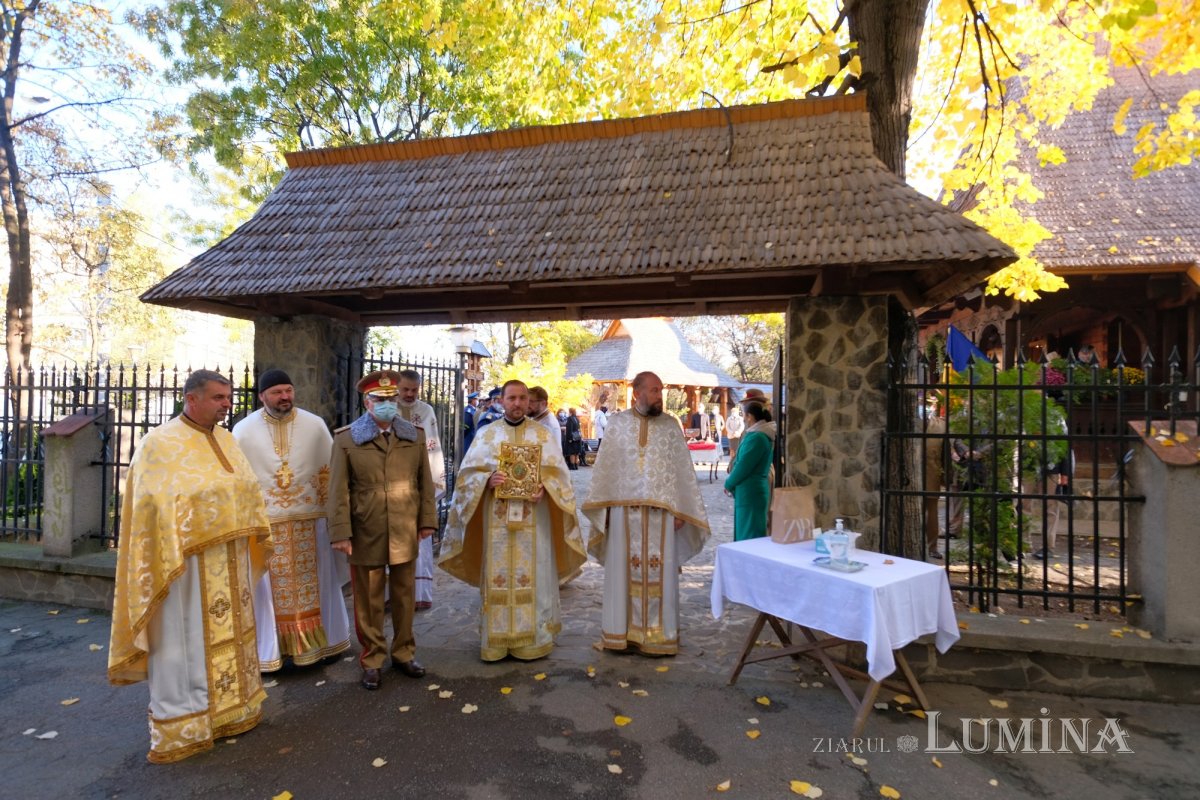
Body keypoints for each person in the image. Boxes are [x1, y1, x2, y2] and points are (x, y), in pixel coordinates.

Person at [108, 369, 271, 764]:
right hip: (184, 565)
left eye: (227, 397)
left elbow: (246, 489)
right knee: (186, 640)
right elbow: (149, 507)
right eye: (218, 398)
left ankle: (235, 709)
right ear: (191, 399)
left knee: (231, 634)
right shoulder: (159, 444)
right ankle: (186, 723)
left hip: (229, 559)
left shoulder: (228, 440)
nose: (226, 404)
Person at [439, 380, 587, 661]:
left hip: (536, 520)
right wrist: (486, 480)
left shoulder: (543, 435)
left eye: (522, 398)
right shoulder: (487, 435)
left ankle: (533, 639)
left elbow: (561, 479)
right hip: (497, 521)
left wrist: (546, 487)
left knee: (535, 572)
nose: (517, 403)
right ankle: (496, 641)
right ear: (502, 401)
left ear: (528, 401)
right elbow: (466, 477)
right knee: (498, 573)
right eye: (511, 398)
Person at [582, 371, 710, 655]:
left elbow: (681, 473)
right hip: (622, 515)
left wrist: (680, 510)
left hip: (661, 517)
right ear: (637, 392)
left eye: (660, 390)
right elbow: (606, 471)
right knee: (621, 575)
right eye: (653, 390)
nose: (659, 395)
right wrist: (604, 510)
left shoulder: (670, 426)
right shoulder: (616, 424)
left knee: (660, 575)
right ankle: (620, 635)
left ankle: (658, 637)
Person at [232, 369, 351, 671]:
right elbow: (236, 482)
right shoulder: (243, 431)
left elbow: (333, 475)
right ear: (262, 396)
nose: (284, 397)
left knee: (321, 581)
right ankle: (273, 652)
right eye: (276, 392)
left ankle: (325, 643)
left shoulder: (315, 425)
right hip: (266, 525)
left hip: (312, 523)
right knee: (268, 592)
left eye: (288, 390)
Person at [329, 370, 437, 690]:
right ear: (367, 402)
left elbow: (425, 483)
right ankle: (372, 658)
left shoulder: (413, 436)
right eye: (380, 400)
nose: (387, 404)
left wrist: (427, 520)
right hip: (366, 529)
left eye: (391, 400)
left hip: (404, 527)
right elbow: (338, 490)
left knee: (405, 597)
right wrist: (340, 532)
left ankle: (404, 653)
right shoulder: (346, 439)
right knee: (369, 599)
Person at [396, 369, 448, 611]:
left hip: (418, 484)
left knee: (420, 536)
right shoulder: (385, 407)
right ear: (397, 387)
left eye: (414, 390)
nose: (409, 394)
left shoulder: (426, 411)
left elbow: (433, 446)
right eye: (405, 389)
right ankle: (391, 594)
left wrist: (432, 483)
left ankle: (418, 594)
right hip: (391, 485)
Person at [723, 401, 775, 541]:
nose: (744, 419)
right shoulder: (757, 435)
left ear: (750, 416)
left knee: (749, 535)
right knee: (748, 531)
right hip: (750, 491)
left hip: (751, 491)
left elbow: (743, 466)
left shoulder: (757, 438)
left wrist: (728, 483)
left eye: (744, 415)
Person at [462, 391, 480, 457]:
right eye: (476, 399)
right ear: (472, 400)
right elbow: (466, 426)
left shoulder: (474, 410)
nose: (477, 401)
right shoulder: (468, 411)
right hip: (469, 437)